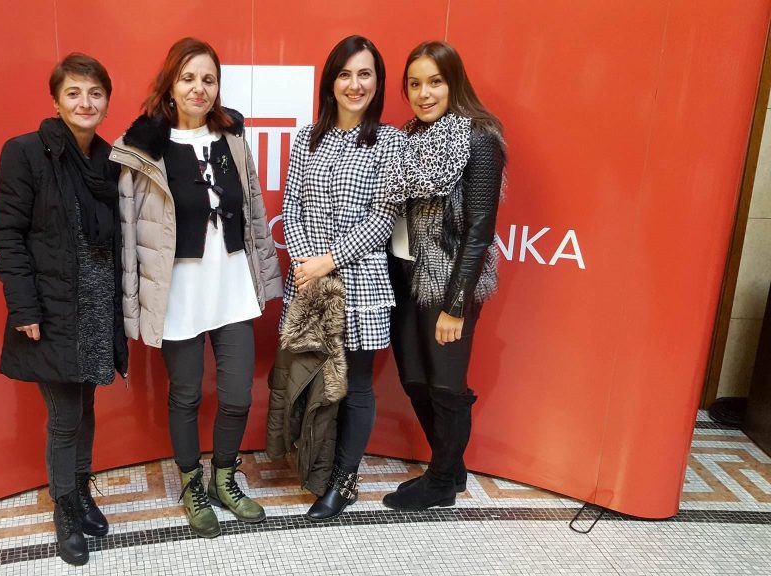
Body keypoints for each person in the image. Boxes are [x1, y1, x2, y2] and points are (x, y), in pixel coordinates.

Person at [109, 37, 282, 538]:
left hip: (232, 287)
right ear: (170, 85)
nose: (198, 88)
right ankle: (191, 485)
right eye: (188, 78)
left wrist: (265, 273)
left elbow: (254, 212)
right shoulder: (142, 149)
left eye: (208, 79)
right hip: (178, 293)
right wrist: (133, 301)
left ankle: (224, 478)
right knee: (185, 395)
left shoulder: (233, 139)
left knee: (236, 395)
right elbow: (128, 232)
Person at [0, 53, 126, 566]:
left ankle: (81, 491)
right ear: (56, 101)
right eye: (73, 93)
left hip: (96, 306)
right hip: (52, 310)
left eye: (94, 93)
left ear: (106, 101)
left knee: (85, 408)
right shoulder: (25, 153)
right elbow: (7, 233)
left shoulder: (110, 160)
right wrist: (23, 306)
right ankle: (64, 506)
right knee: (65, 416)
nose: (85, 103)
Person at [280, 35, 405, 521]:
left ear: (378, 82)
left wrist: (327, 261)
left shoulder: (391, 142)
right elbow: (291, 204)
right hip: (308, 282)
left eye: (365, 74)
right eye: (345, 74)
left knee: (355, 384)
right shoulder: (307, 137)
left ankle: (343, 481)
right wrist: (305, 261)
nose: (355, 85)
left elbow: (382, 219)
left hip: (360, 284)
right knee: (312, 375)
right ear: (330, 83)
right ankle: (314, 464)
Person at [381, 41, 506, 511]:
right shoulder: (408, 138)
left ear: (454, 83)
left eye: (435, 82)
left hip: (448, 279)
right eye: (415, 84)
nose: (424, 93)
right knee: (414, 378)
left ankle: (440, 482)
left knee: (446, 385)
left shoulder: (480, 138)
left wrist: (456, 304)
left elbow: (479, 231)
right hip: (402, 274)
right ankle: (450, 468)